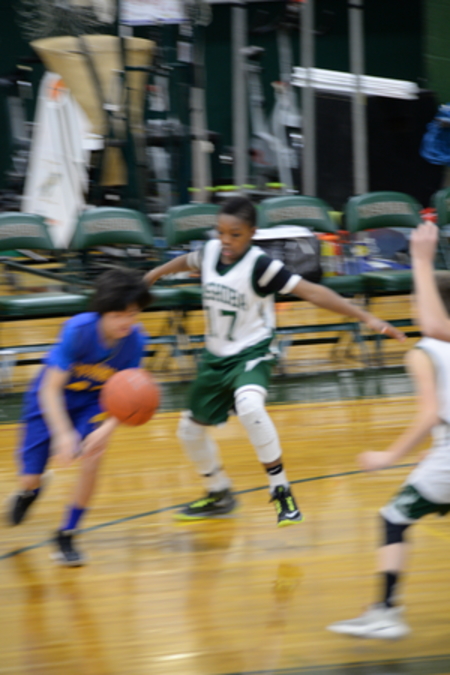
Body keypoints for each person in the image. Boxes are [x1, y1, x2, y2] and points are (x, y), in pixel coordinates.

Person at [144, 196, 404, 526]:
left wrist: (366, 317)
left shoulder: (261, 266)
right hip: (215, 358)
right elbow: (188, 260)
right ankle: (218, 492)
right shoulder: (211, 251)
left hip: (252, 352)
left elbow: (312, 291)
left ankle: (281, 490)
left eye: (235, 234)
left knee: (250, 407)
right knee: (188, 432)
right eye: (221, 232)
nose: (226, 240)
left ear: (252, 233)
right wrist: (154, 273)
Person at [327, 264, 450, 640]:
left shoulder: (423, 352)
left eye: (415, 300)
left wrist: (389, 456)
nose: (412, 306)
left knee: (393, 517)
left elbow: (430, 414)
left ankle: (385, 612)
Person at [6, 268, 150, 566]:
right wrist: (63, 433)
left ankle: (67, 533)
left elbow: (128, 394)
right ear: (102, 312)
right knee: (29, 477)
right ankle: (31, 490)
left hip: (94, 402)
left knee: (93, 458)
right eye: (118, 315)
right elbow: (49, 389)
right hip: (53, 395)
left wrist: (106, 430)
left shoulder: (135, 341)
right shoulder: (78, 330)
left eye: (132, 314)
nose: (126, 322)